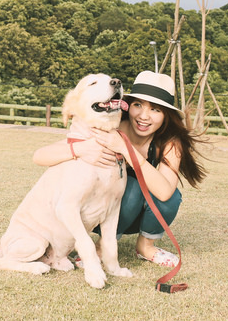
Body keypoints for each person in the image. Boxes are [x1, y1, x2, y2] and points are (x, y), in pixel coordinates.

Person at [32, 70, 207, 267]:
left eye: (155, 110)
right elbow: (39, 156)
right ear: (127, 105)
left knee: (171, 196)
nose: (144, 116)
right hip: (101, 211)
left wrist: (126, 148)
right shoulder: (111, 125)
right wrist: (80, 149)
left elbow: (166, 192)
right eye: (138, 105)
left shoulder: (170, 142)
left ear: (166, 115)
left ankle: (145, 246)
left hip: (137, 209)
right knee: (130, 188)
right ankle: (101, 247)